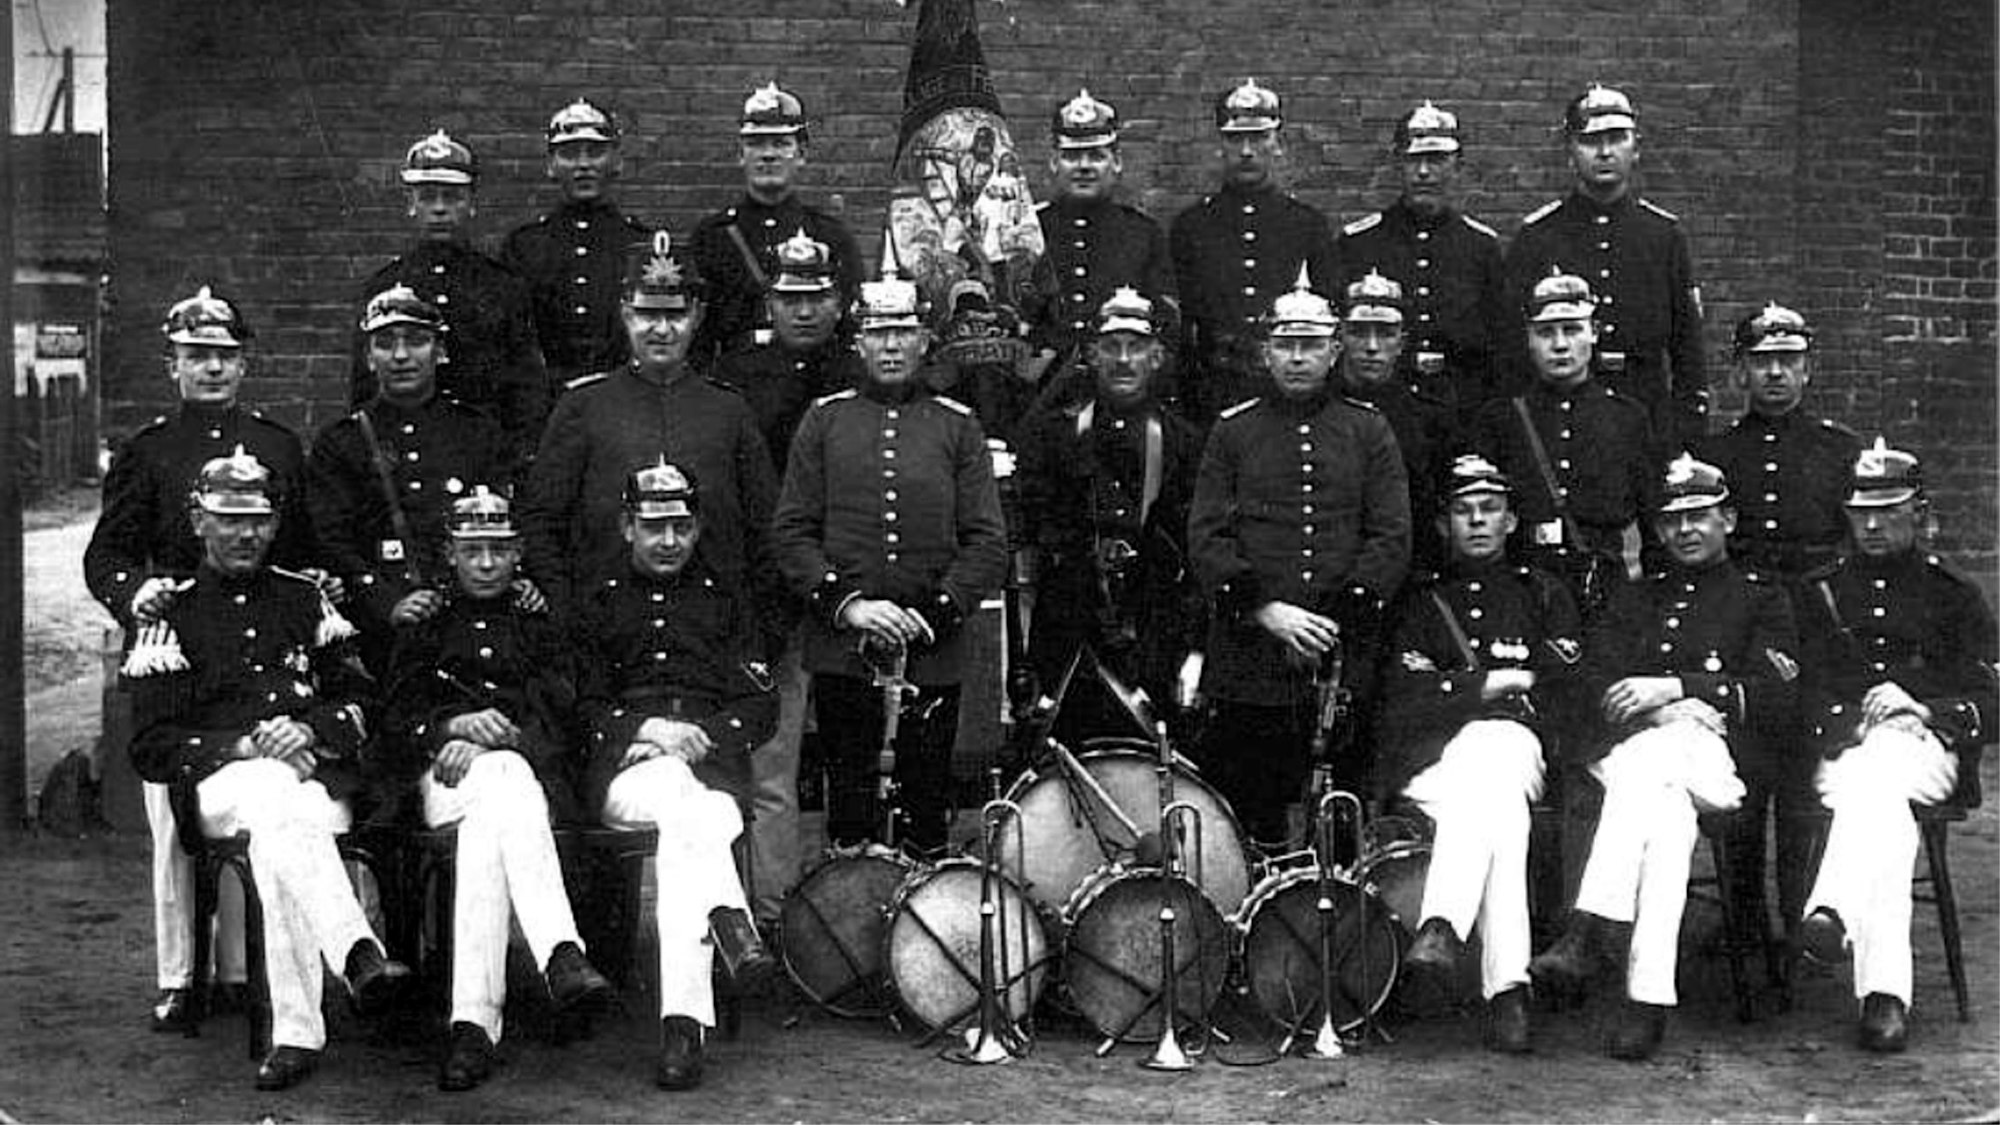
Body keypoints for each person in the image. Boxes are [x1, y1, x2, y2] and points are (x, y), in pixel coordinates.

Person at [123, 448, 414, 1091]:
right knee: (271, 789)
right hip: (222, 784)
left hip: (310, 782)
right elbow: (152, 744)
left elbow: (361, 697)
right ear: (198, 520)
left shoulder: (303, 598)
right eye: (228, 519)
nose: (246, 533)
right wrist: (246, 746)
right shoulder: (172, 611)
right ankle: (357, 952)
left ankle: (298, 1032)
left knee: (285, 818)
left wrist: (311, 728)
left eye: (258, 519)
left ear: (275, 522)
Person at [84, 285, 317, 1033]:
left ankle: (250, 969)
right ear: (172, 365)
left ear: (244, 363)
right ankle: (180, 974)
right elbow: (107, 552)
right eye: (196, 357)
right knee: (176, 819)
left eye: (224, 356)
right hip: (179, 640)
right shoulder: (148, 451)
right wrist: (136, 591)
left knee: (269, 799)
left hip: (260, 642)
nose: (211, 369)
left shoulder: (279, 446)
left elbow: (301, 547)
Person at [1528, 454, 1799, 1060]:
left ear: (1727, 519)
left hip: (1724, 762)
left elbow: (1779, 695)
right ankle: (1646, 998)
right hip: (1644, 759)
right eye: (1672, 521)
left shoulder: (1762, 598)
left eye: (1699, 516)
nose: (1685, 531)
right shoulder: (1635, 598)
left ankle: (1586, 930)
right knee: (1666, 814)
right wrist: (1655, 712)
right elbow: (1594, 676)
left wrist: (1680, 689)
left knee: (1655, 766)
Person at [376, 486, 611, 1091]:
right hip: (442, 781)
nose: (485, 564)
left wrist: (495, 744)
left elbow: (566, 722)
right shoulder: (427, 624)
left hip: (515, 783)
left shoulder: (540, 626)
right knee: (501, 784)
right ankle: (559, 949)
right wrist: (446, 728)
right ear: (449, 554)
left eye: (498, 551)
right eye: (472, 550)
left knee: (495, 804)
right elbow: (393, 725)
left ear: (518, 554)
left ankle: (473, 1026)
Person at [770, 270, 1008, 851]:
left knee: (926, 810)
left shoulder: (957, 426)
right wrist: (848, 607)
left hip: (933, 649)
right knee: (850, 811)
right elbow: (792, 532)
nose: (892, 346)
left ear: (926, 340)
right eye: (878, 334)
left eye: (904, 333)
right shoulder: (824, 421)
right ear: (858, 343)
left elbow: (986, 541)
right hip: (845, 650)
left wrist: (933, 612)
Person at [1186, 267, 1411, 846]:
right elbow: (1208, 534)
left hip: (1342, 652)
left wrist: (1338, 619)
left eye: (1310, 346)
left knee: (1337, 821)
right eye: (1285, 345)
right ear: (1265, 352)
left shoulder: (1369, 430)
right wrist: (1264, 611)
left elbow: (1390, 534)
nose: (1296, 359)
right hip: (1250, 656)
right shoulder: (1233, 432)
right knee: (1247, 820)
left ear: (1335, 351)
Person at [576, 459, 779, 1090]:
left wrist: (700, 740)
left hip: (709, 780)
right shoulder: (596, 601)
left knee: (690, 819)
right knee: (672, 793)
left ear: (698, 528)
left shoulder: (724, 600)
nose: (670, 543)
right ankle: (729, 925)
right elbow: (573, 702)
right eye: (654, 528)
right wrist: (645, 732)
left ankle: (684, 1024)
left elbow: (759, 703)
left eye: (683, 528)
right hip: (628, 777)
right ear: (626, 526)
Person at [1793, 439, 1997, 1052]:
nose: (1873, 525)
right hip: (1848, 752)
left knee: (1878, 786)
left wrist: (1923, 707)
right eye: (1860, 514)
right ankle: (1883, 996)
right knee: (1879, 802)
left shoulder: (1954, 594)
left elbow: (1994, 699)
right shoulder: (1820, 590)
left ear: (1921, 512)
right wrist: (1849, 722)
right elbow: (1797, 692)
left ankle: (1832, 911)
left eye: (1889, 510)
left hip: (1927, 750)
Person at [1376, 454, 1583, 1053]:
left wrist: (1458, 690)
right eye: (1462, 512)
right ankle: (1508, 990)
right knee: (1496, 804)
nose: (1476, 522)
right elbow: (1404, 697)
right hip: (1437, 766)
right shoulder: (1419, 603)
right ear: (1442, 526)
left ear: (1512, 520)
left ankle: (1443, 924)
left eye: (1489, 510)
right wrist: (1493, 684)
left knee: (1492, 751)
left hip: (1521, 751)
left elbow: (1564, 686)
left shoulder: (1543, 594)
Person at [1697, 301, 1862, 949]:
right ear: (1739, 370)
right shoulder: (1714, 456)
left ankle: (1801, 919)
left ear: (1808, 369)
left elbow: (1855, 553)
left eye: (1787, 362)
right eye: (1761, 362)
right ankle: (1743, 922)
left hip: (1814, 631)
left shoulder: (1839, 450)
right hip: (1739, 631)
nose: (1774, 375)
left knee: (1801, 778)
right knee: (1740, 774)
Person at [710, 229, 863, 931]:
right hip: (771, 594)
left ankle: (854, 906)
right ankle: (770, 915)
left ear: (839, 301)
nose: (803, 311)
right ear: (769, 301)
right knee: (773, 764)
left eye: (817, 297)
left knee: (856, 756)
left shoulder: (860, 370)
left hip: (854, 591)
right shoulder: (738, 373)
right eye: (789, 298)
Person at [521, 231, 781, 641]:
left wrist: (756, 629)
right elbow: (541, 521)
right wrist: (568, 612)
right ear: (626, 313)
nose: (662, 330)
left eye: (675, 316)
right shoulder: (584, 406)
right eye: (647, 315)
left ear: (696, 316)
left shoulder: (729, 410)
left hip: (714, 631)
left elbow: (765, 529)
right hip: (604, 632)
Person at [1015, 286, 1205, 738]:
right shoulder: (1054, 434)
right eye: (1111, 348)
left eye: (1136, 348)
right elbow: (1037, 520)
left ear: (1156, 358)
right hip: (1071, 620)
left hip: (1153, 619)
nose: (1123, 360)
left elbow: (1193, 536)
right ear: (1093, 357)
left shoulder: (1183, 440)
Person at [308, 285, 518, 677]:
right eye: (385, 344)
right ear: (369, 358)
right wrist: (386, 601)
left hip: (464, 621)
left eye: (417, 342)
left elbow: (502, 523)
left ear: (440, 352)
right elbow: (330, 539)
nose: (401, 356)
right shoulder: (342, 441)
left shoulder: (477, 433)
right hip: (377, 628)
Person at [1503, 84, 1707, 451]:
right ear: (1570, 152)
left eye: (1616, 139)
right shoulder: (1537, 236)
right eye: (1590, 141)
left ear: (1636, 148)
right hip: (1561, 420)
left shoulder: (1663, 236)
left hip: (1647, 415)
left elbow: (1688, 350)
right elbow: (1514, 347)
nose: (1605, 152)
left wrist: (1684, 436)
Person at [351, 129, 547, 470]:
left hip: (483, 453)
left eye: (452, 196)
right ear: (410, 204)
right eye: (427, 196)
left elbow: (525, 390)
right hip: (403, 451)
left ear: (472, 203)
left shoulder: (503, 286)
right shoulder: (384, 286)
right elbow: (364, 388)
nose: (439, 208)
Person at [1470, 271, 1658, 615]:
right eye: (1545, 332)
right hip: (1524, 585)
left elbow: (1651, 517)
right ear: (1528, 338)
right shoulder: (1501, 419)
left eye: (1572, 330)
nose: (1559, 345)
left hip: (1606, 586)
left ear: (1594, 333)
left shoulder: (1627, 417)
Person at [1170, 78, 1336, 427]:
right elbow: (1182, 325)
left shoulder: (1308, 225)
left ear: (1278, 143)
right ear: (1220, 145)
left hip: (1287, 393)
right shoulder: (1191, 226)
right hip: (1211, 392)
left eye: (1259, 137)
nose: (1247, 150)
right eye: (1235, 139)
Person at [1336, 100, 1507, 420]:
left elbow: (1499, 341)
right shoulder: (1359, 242)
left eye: (1437, 160)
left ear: (1458, 165)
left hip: (1462, 405)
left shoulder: (1480, 246)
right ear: (1398, 163)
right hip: (1381, 406)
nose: (1424, 172)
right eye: (1414, 159)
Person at [690, 82, 864, 362]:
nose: (768, 154)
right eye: (756, 143)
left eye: (781, 143)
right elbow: (699, 335)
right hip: (737, 384)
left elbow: (851, 324)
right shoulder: (713, 237)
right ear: (740, 154)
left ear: (802, 154)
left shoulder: (830, 235)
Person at [500, 97, 653, 392]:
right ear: (551, 165)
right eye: (569, 154)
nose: (583, 164)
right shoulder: (525, 246)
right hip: (547, 398)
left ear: (616, 161)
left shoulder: (640, 243)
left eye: (595, 152)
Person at [1027, 89, 1178, 374]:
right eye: (1072, 156)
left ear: (1116, 162)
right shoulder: (1026, 230)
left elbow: (1165, 323)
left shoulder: (1143, 234)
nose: (1084, 167)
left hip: (1118, 385)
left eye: (1096, 156)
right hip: (1039, 391)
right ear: (1053, 162)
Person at [1334, 269, 1461, 577]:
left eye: (1385, 333)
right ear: (1339, 338)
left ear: (1402, 342)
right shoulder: (1318, 402)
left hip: (1408, 562)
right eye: (1359, 332)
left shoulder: (1427, 412)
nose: (1372, 347)